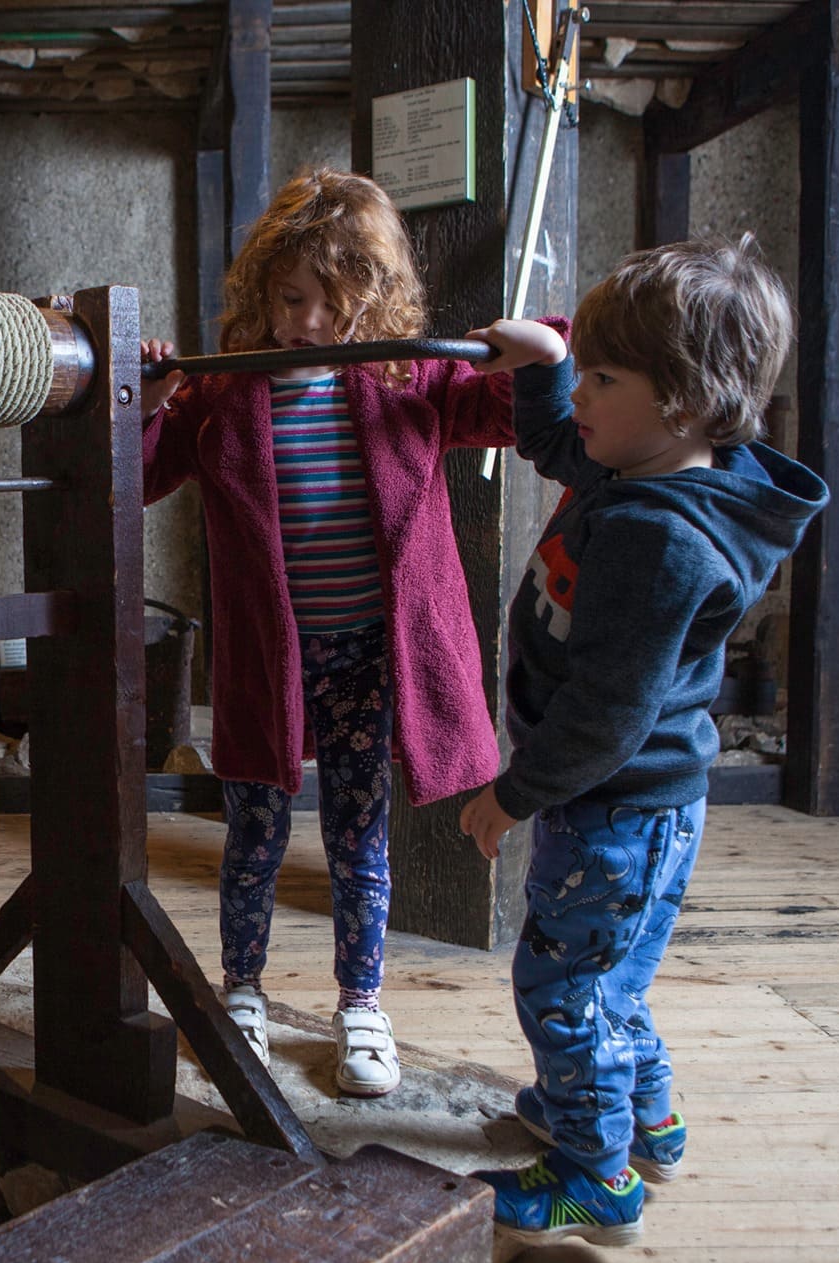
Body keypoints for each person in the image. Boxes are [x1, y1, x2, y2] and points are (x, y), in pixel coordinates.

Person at [139, 167, 558, 1096]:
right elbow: (133, 476)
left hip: (370, 652)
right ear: (261, 287)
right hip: (266, 659)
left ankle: (361, 1002)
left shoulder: (406, 377)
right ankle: (240, 989)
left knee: (357, 835)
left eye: (337, 306)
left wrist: (537, 351)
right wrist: (152, 399)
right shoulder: (221, 395)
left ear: (372, 304)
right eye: (291, 298)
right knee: (250, 826)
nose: (310, 325)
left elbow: (516, 406)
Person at [457, 236, 828, 1245]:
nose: (583, 392)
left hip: (609, 803)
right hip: (627, 801)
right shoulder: (644, 462)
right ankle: (644, 1119)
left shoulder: (660, 537)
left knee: (563, 986)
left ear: (682, 404)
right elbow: (554, 446)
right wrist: (541, 365)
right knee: (610, 976)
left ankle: (593, 1173)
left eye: (601, 376)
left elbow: (606, 715)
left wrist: (511, 793)